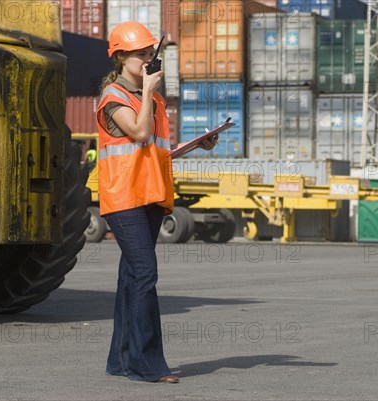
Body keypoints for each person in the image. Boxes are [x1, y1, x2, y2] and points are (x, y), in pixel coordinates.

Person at [97, 21, 216, 384]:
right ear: (120, 57)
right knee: (145, 274)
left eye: (151, 53)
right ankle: (147, 364)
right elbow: (140, 131)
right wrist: (148, 91)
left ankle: (121, 360)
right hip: (124, 198)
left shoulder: (157, 100)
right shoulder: (113, 98)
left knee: (131, 277)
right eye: (141, 54)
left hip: (150, 194)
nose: (149, 59)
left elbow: (152, 150)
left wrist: (196, 145)